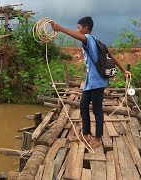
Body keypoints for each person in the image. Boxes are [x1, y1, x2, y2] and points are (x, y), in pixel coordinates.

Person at [50, 16, 131, 148]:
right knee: (83, 107)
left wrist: (60, 29)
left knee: (97, 111)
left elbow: (81, 37)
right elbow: (110, 54)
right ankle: (86, 133)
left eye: (79, 28)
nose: (78, 30)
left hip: (97, 83)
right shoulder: (96, 41)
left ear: (86, 28)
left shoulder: (88, 38)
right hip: (90, 83)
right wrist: (123, 70)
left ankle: (98, 137)